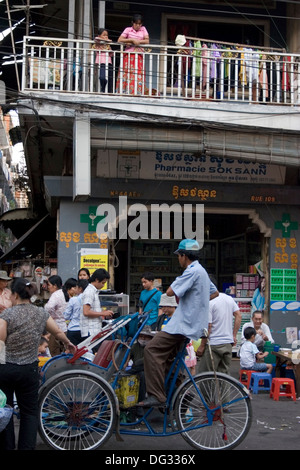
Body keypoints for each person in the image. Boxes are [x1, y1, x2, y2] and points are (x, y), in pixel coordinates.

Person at [139, 239, 218, 407]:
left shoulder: (191, 271)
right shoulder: (202, 271)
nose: (178, 259)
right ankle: (180, 392)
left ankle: (156, 395)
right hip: (191, 325)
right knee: (168, 359)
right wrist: (194, 302)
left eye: (179, 256)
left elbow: (169, 292)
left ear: (184, 256)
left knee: (151, 350)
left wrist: (190, 302)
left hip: (182, 324)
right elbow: (214, 293)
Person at [0, 278, 76, 450]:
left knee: (5, 409)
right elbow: (57, 331)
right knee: (29, 413)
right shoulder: (41, 313)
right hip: (29, 370)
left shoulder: (6, 315)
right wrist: (68, 343)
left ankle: (7, 446)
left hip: (6, 369)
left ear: (15, 294)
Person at [196, 288, 241, 375]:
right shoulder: (229, 299)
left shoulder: (209, 302)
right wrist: (233, 335)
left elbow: (208, 327)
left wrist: (202, 345)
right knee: (224, 376)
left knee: (205, 376)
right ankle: (224, 389)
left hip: (213, 345)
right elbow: (238, 315)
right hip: (227, 343)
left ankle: (208, 389)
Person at [116, 13, 149, 95]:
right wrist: (130, 40)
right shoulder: (128, 29)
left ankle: (137, 92)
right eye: (136, 23)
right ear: (132, 23)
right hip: (129, 55)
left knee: (137, 74)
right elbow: (120, 40)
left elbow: (147, 41)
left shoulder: (143, 29)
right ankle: (124, 92)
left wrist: (138, 42)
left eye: (139, 24)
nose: (138, 26)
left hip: (138, 56)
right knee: (127, 74)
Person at [80, 269, 114, 341]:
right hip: (90, 330)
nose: (103, 285)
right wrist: (102, 313)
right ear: (96, 280)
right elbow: (86, 312)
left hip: (95, 329)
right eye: (102, 283)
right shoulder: (89, 292)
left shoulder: (94, 291)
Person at [44, 275, 71, 356]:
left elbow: (48, 307)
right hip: (65, 327)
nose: (48, 287)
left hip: (56, 328)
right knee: (65, 352)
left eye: (49, 285)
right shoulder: (64, 293)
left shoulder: (56, 294)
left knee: (54, 352)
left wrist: (51, 316)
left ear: (55, 286)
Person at [64, 278, 89, 345]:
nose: (75, 289)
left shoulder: (73, 300)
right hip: (86, 330)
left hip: (73, 330)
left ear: (80, 289)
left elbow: (66, 316)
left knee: (73, 352)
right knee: (85, 351)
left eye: (76, 287)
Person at [94, 28, 113, 93]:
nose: (105, 37)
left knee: (110, 79)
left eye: (106, 35)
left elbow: (111, 54)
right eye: (104, 35)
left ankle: (108, 92)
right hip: (101, 62)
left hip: (108, 62)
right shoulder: (98, 42)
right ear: (99, 35)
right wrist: (105, 40)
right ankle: (103, 87)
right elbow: (96, 38)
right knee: (102, 77)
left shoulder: (107, 44)